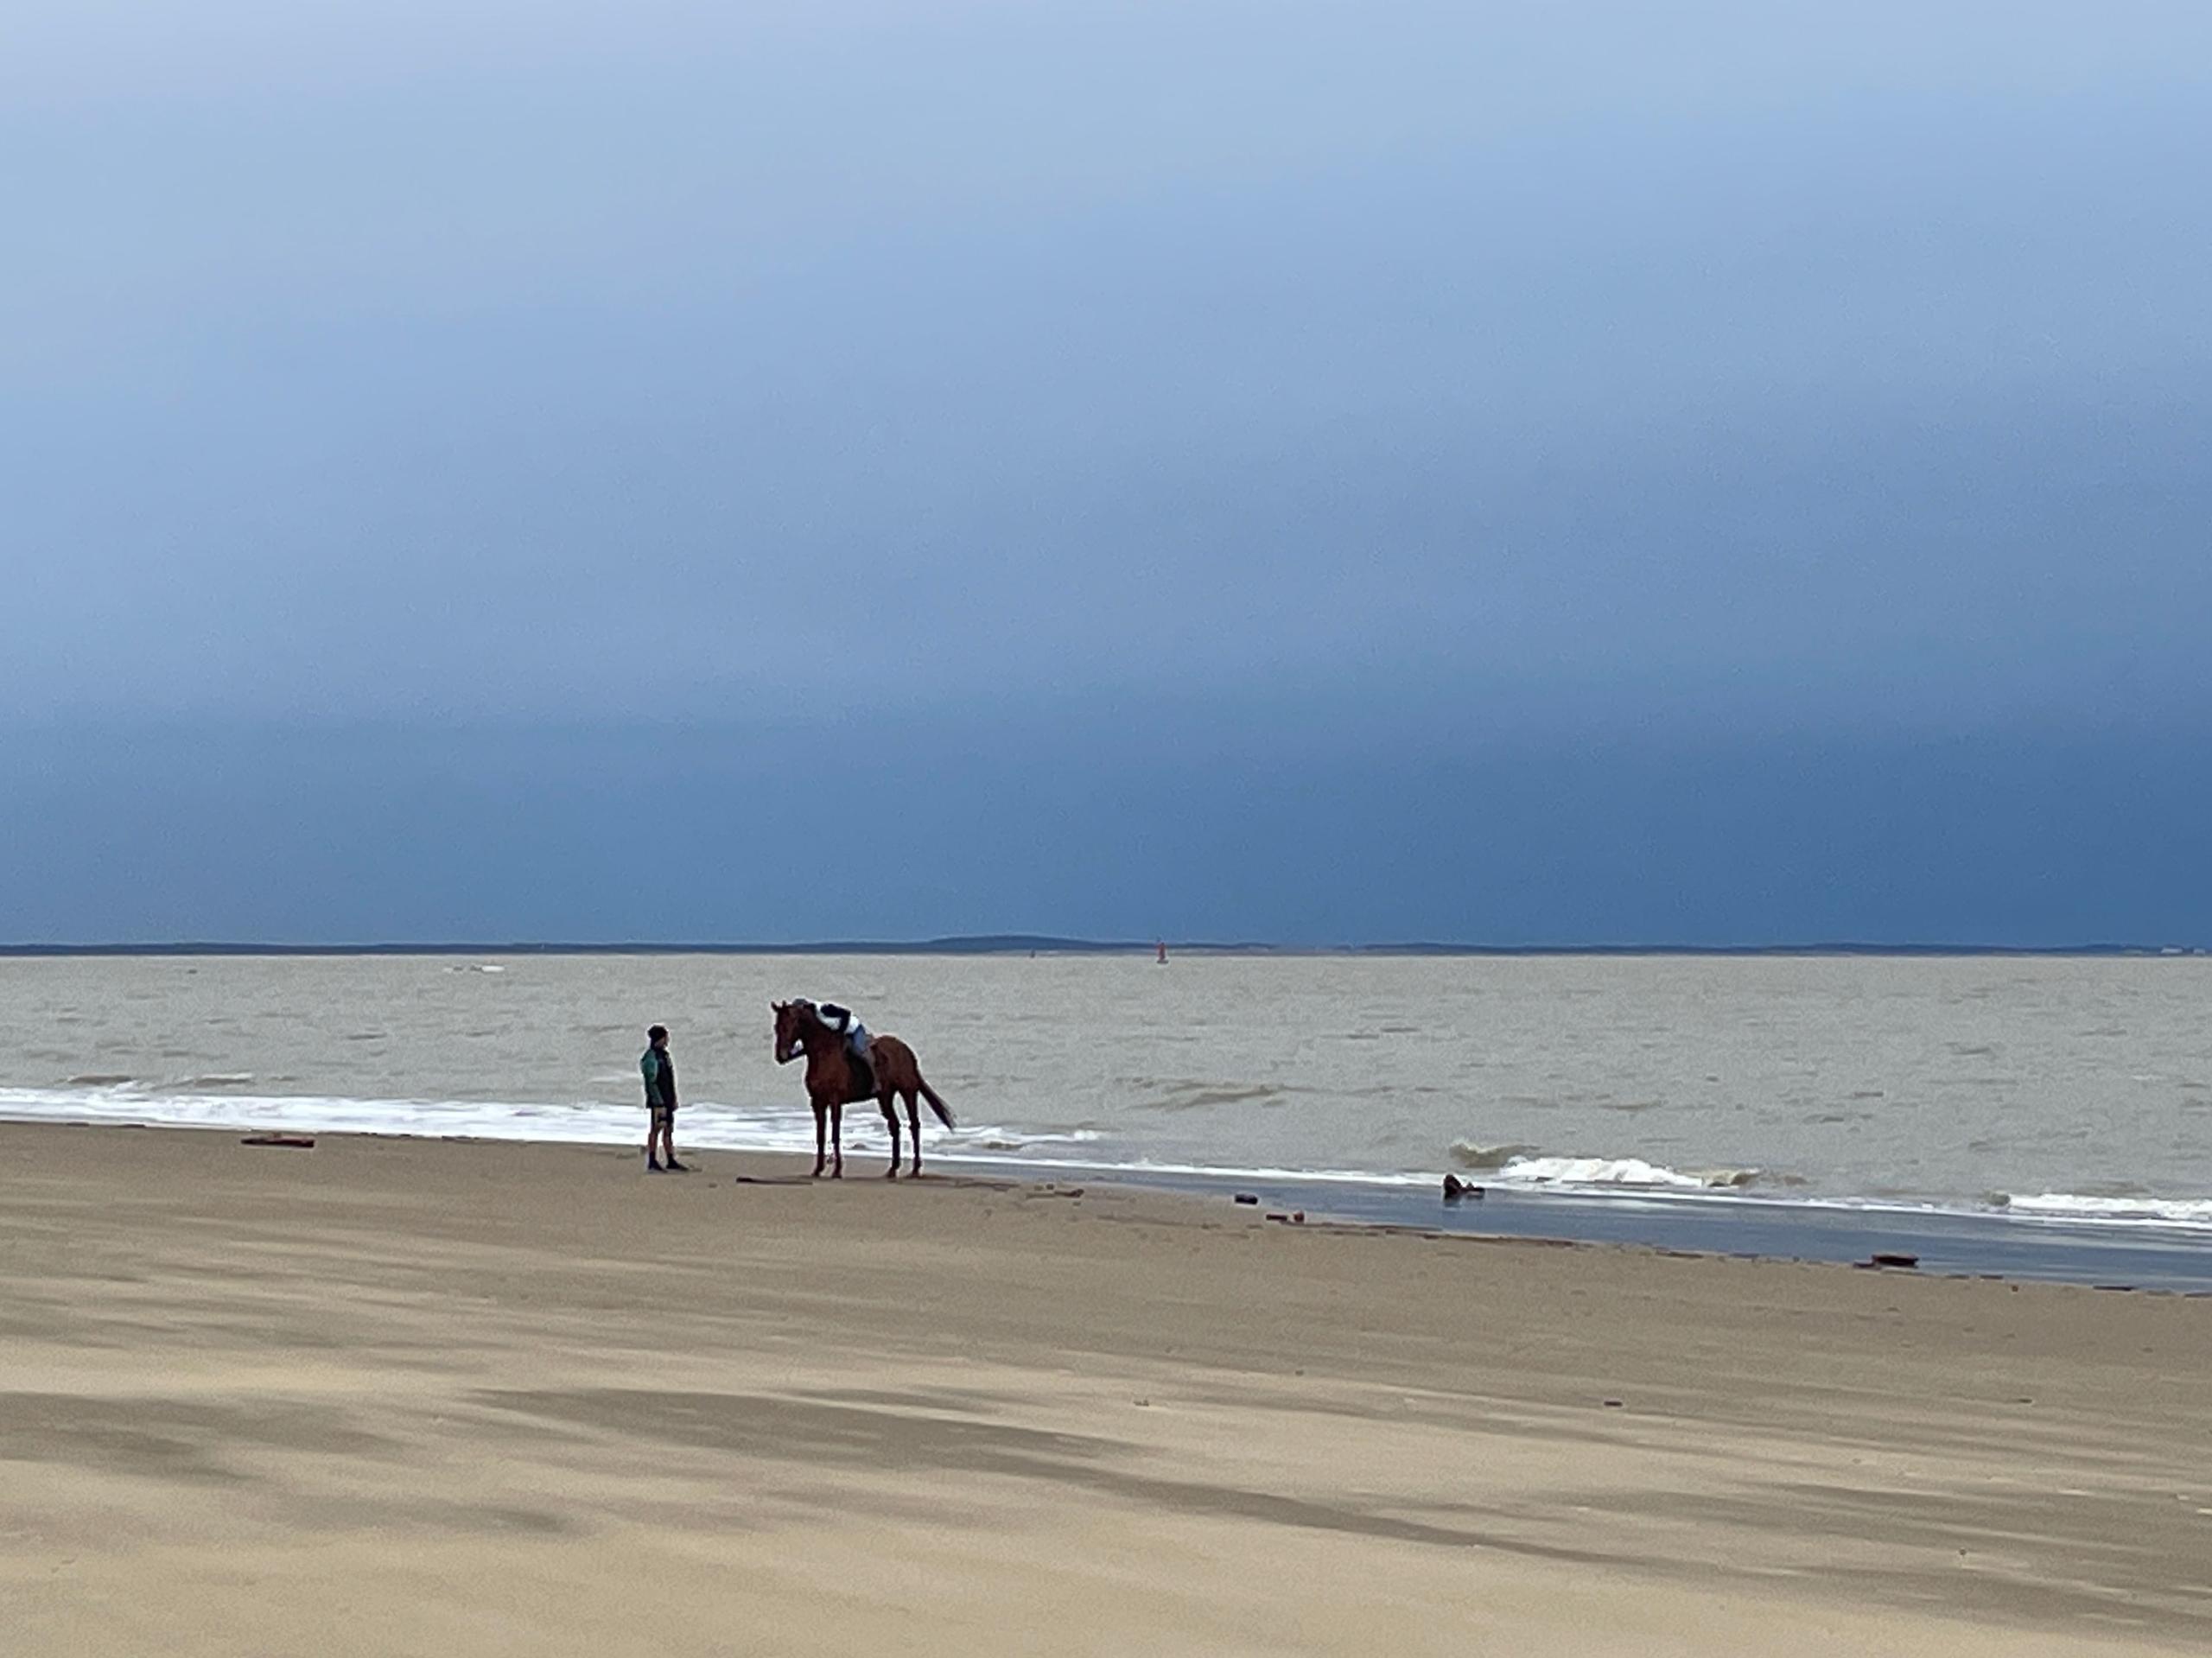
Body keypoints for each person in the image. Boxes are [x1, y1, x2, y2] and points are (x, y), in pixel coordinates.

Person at [639, 1024, 689, 1172]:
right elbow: (651, 1081)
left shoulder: (665, 1055)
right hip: (658, 1101)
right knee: (656, 1129)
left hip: (667, 1098)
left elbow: (670, 1078)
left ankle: (670, 1159)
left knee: (668, 1129)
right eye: (665, 1037)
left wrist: (673, 1098)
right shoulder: (651, 1057)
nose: (667, 1040)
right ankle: (652, 1161)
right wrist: (658, 1101)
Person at [817, 1001, 874, 1089]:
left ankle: (875, 1079)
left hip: (855, 1029)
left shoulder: (824, 1010)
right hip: (841, 1032)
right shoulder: (814, 1021)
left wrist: (840, 1032)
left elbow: (846, 1013)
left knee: (859, 1050)